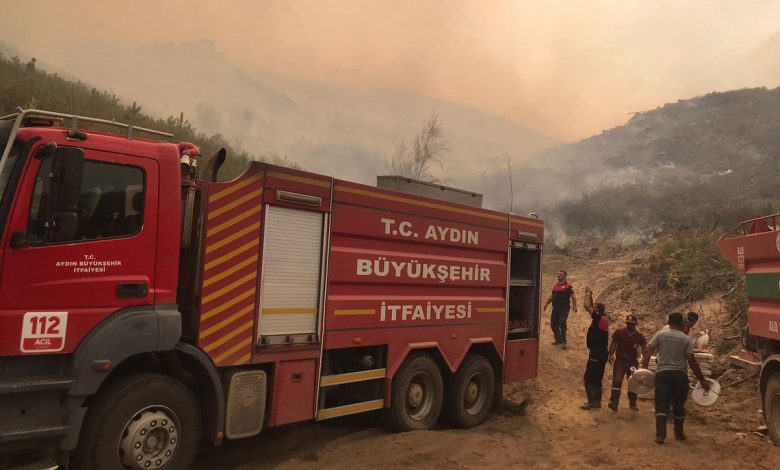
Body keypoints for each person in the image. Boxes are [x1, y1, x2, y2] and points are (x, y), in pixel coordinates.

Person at [642, 312, 710, 444]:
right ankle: (679, 434)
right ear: (681, 324)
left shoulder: (660, 335)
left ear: (669, 321)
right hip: (680, 375)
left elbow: (648, 350)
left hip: (663, 374)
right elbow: (691, 361)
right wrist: (702, 379)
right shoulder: (685, 339)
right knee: (679, 405)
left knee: (661, 404)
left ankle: (661, 435)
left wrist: (644, 369)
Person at [607, 313, 647, 412]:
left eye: (631, 324)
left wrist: (645, 358)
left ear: (635, 324)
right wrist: (611, 354)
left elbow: (644, 347)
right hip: (620, 360)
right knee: (617, 380)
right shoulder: (619, 332)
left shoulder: (640, 336)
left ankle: (633, 402)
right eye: (628, 323)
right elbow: (614, 343)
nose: (629, 325)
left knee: (633, 383)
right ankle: (614, 402)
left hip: (632, 362)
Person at [581, 287, 609, 410]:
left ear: (597, 311)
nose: (593, 308)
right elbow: (591, 305)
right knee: (597, 378)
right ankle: (596, 403)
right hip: (601, 352)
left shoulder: (598, 318)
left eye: (595, 308)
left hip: (597, 352)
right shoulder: (601, 319)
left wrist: (586, 293)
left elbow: (587, 306)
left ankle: (592, 402)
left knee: (588, 378)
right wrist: (591, 295)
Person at [543, 270, 577, 349]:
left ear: (565, 276)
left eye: (560, 274)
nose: (558, 275)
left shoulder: (568, 287)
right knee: (553, 325)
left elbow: (573, 297)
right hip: (555, 308)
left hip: (564, 308)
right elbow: (552, 296)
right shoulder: (555, 286)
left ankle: (564, 341)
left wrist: (575, 306)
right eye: (558, 274)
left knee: (562, 323)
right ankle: (558, 340)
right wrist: (546, 303)